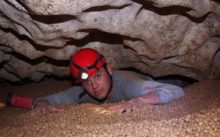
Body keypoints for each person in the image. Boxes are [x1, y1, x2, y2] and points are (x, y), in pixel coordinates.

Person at [32, 48, 185, 114]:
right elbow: (47, 99)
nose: (93, 86)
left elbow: (175, 90)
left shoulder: (128, 85)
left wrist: (139, 101)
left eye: (98, 76)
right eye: (87, 82)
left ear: (109, 70)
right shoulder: (83, 92)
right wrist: (42, 105)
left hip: (172, 78)